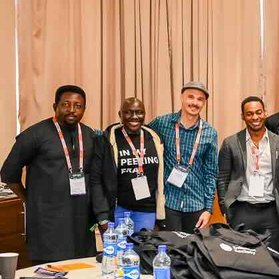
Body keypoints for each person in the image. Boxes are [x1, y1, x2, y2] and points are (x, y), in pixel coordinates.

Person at [1, 85, 108, 264]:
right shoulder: (34, 135)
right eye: (66, 104)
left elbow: (97, 178)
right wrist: (29, 199)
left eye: (78, 105)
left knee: (83, 271)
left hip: (81, 221)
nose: (72, 110)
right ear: (55, 106)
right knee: (50, 272)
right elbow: (9, 174)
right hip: (47, 221)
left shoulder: (90, 136)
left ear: (84, 109)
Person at [217, 96, 279, 251]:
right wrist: (226, 207)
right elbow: (222, 178)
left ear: (264, 112)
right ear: (243, 116)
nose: (255, 117)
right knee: (242, 258)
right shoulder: (231, 143)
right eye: (249, 114)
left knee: (272, 259)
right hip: (242, 210)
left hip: (272, 212)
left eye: (258, 112)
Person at [148, 81, 219, 233]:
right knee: (171, 252)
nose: (194, 103)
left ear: (204, 103)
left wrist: (208, 209)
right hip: (169, 204)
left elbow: (211, 173)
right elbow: (141, 135)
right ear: (182, 97)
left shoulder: (209, 133)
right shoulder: (162, 123)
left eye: (200, 99)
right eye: (191, 97)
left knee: (193, 253)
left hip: (196, 205)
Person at [93, 97, 165, 232]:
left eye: (139, 112)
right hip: (118, 210)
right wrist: (102, 216)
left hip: (147, 211)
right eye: (128, 112)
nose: (134, 117)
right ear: (120, 115)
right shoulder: (107, 140)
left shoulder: (155, 139)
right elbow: (95, 179)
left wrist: (160, 218)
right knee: (117, 252)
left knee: (142, 252)